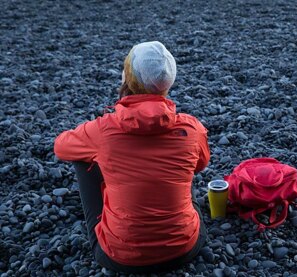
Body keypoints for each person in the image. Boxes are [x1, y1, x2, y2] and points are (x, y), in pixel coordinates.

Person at [54, 41, 210, 274]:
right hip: (185, 248)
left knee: (82, 157)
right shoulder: (191, 128)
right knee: (184, 165)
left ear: (127, 78)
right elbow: (201, 165)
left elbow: (61, 146)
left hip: (119, 256)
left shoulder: (102, 130)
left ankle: (106, 220)